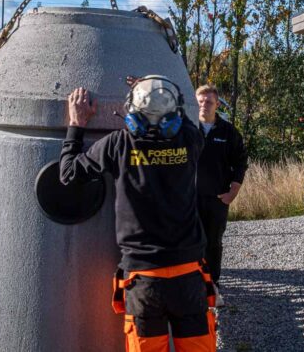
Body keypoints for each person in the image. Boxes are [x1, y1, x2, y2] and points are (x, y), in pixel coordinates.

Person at [59, 77, 216, 352]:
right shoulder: (191, 140)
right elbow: (186, 117)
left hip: (144, 281)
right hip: (189, 277)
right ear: (175, 114)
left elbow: (68, 175)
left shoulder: (118, 144)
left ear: (131, 112)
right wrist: (155, 87)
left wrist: (76, 125)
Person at [195, 84, 248, 306]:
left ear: (217, 104)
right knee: (191, 241)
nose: (204, 105)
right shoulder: (187, 129)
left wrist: (232, 193)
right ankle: (193, 283)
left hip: (217, 199)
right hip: (190, 199)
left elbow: (240, 163)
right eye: (200, 101)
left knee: (213, 243)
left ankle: (213, 284)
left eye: (208, 101)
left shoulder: (228, 132)